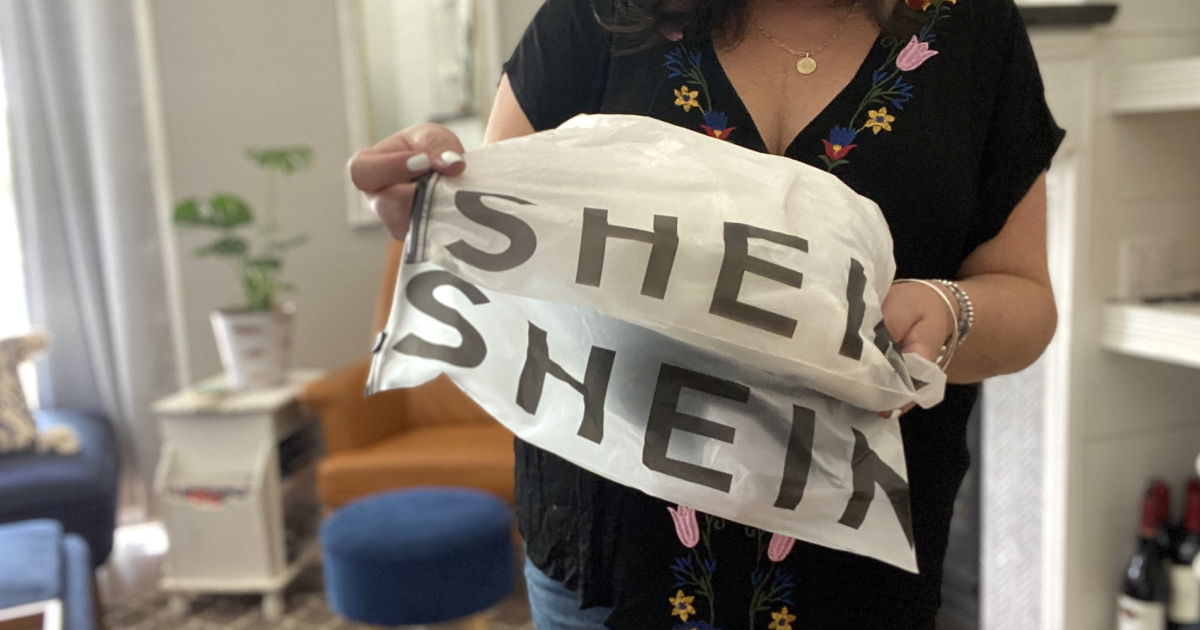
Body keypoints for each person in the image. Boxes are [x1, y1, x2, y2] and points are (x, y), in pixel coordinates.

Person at [349, 0, 1062, 627]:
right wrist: (428, 207)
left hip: (860, 587)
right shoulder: (596, 12)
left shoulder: (974, 28)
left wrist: (948, 310)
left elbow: (1026, 300)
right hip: (604, 571)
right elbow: (498, 242)